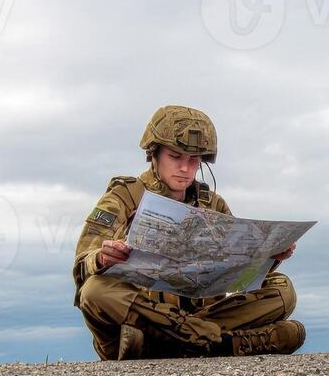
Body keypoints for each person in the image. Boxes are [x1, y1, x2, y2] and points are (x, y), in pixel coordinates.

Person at [73, 105, 304, 360]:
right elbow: (83, 265)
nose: (184, 168)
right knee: (94, 291)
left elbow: (237, 278)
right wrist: (101, 258)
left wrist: (269, 259)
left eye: (193, 160)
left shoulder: (213, 204)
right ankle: (219, 343)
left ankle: (181, 345)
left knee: (284, 290)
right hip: (135, 324)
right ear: (154, 153)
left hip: (172, 328)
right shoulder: (123, 196)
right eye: (175, 156)